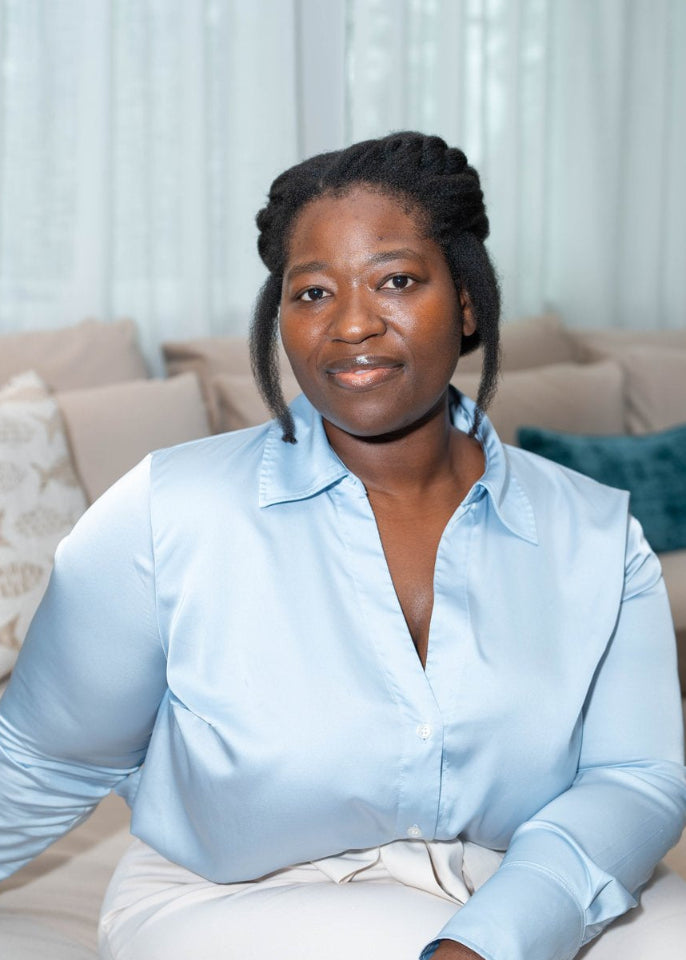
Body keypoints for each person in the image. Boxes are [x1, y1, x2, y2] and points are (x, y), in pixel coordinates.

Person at [0, 132, 685, 960]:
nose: (353, 322)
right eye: (313, 291)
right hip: (235, 898)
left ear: (466, 302)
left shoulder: (597, 534)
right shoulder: (166, 512)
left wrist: (501, 931)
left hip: (503, 880)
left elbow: (635, 778)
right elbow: (40, 758)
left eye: (396, 280)